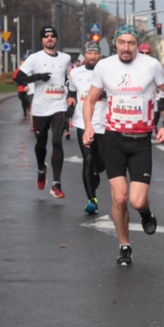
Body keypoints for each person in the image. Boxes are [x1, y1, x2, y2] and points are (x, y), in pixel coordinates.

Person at [82, 26, 164, 265]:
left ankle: (145, 211)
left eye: (131, 43)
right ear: (115, 44)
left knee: (137, 200)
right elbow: (90, 99)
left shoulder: (151, 65)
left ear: (137, 45)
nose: (126, 47)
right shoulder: (104, 66)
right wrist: (89, 126)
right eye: (122, 42)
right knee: (120, 198)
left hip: (141, 142)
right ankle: (124, 245)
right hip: (113, 139)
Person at [15, 27, 72, 197]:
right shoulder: (35, 58)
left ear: (56, 39)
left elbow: (66, 78)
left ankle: (56, 184)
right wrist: (38, 76)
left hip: (59, 106)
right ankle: (41, 169)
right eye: (46, 36)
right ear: (42, 40)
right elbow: (17, 78)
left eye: (52, 36)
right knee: (41, 144)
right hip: (40, 108)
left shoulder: (66, 58)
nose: (49, 38)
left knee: (57, 142)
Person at [67, 42, 108, 215]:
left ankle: (97, 172)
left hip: (104, 123)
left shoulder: (107, 71)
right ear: (84, 55)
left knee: (101, 163)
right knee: (88, 159)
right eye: (89, 53)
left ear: (99, 54)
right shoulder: (75, 73)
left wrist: (105, 93)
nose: (92, 56)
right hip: (83, 122)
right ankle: (92, 200)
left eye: (95, 53)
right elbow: (71, 92)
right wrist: (70, 103)